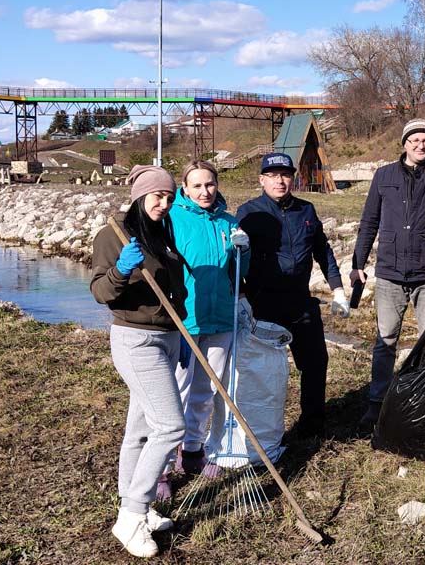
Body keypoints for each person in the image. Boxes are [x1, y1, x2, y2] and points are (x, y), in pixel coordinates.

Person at [90, 165, 186, 558]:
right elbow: (100, 291)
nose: (164, 204)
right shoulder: (114, 236)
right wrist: (121, 269)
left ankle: (135, 507)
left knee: (140, 430)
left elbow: (174, 290)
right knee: (171, 426)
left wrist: (178, 340)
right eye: (156, 197)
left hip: (166, 339)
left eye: (168, 197)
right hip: (136, 339)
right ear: (139, 196)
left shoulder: (162, 234)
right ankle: (131, 517)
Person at [236, 152, 349, 437]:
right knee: (265, 368)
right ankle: (262, 426)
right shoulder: (249, 213)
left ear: (293, 178)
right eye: (273, 176)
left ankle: (312, 423)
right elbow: (235, 260)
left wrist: (337, 290)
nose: (280, 181)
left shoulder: (306, 210)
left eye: (285, 175)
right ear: (262, 179)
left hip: (300, 300)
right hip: (263, 302)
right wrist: (238, 296)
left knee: (315, 361)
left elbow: (323, 251)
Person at [351, 118, 425, 430]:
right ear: (404, 143)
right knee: (385, 340)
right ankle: (377, 402)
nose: (421, 145)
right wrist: (358, 262)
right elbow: (369, 220)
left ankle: (423, 400)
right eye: (415, 140)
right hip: (390, 274)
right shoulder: (384, 176)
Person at [158, 160, 250, 493]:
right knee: (176, 391)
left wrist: (244, 250)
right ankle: (164, 466)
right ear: (184, 188)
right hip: (186, 319)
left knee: (207, 390)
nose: (204, 191)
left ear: (217, 184)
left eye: (209, 184)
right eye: (196, 185)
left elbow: (239, 273)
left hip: (221, 317)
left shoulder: (228, 221)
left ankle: (193, 449)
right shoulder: (172, 220)